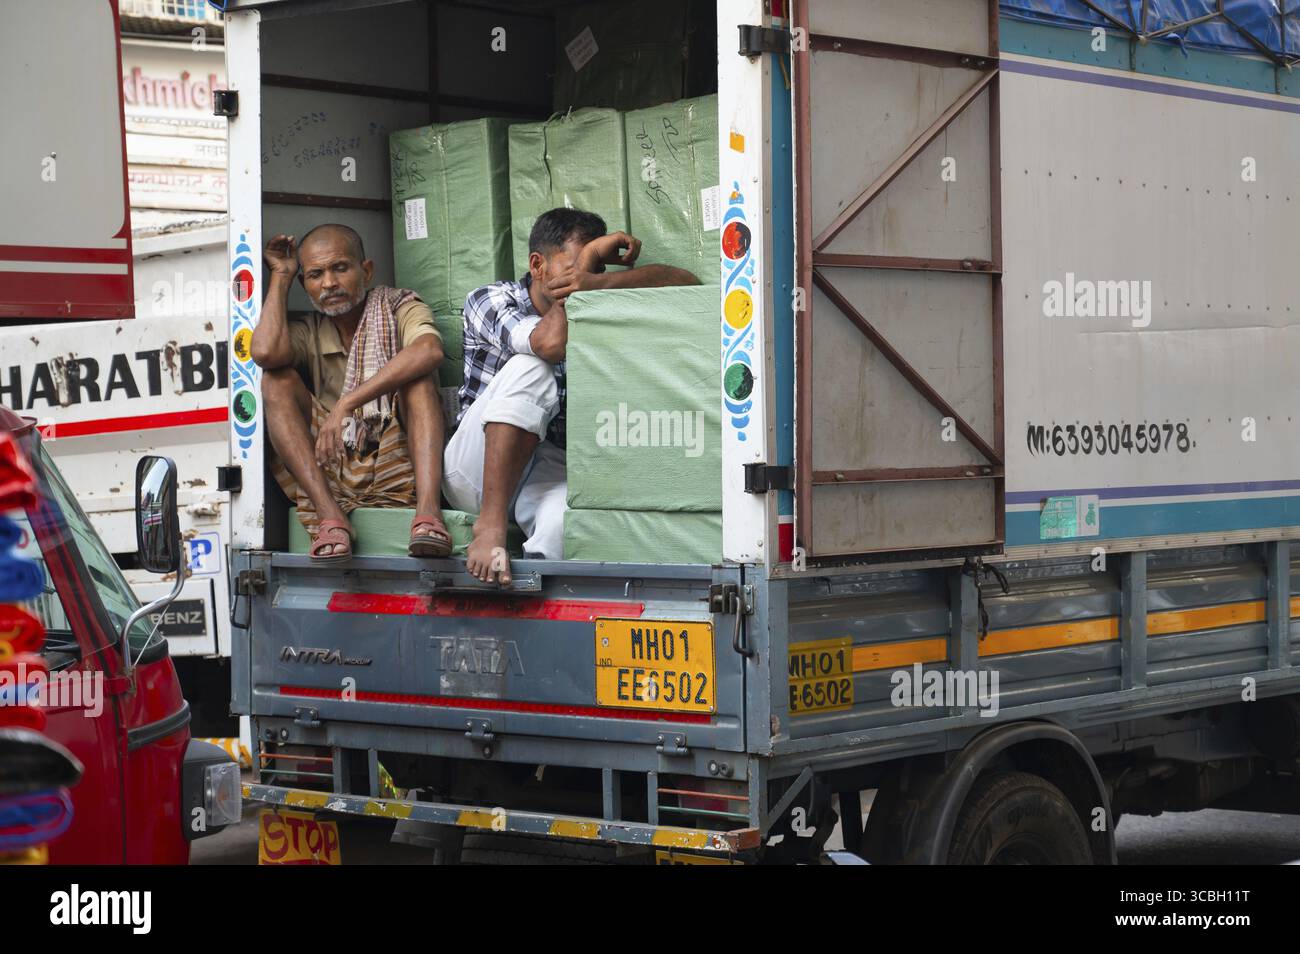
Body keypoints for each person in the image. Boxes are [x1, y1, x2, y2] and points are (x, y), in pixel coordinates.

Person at [444, 208, 699, 584]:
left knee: (569, 523)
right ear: (537, 264)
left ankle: (534, 592)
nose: (583, 278)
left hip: (542, 466)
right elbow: (548, 344)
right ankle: (491, 525)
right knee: (531, 367)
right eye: (574, 265)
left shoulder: (594, 299)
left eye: (591, 269)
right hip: (474, 470)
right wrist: (585, 277)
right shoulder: (491, 300)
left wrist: (599, 281)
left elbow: (688, 286)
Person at [252, 223, 451, 563]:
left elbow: (429, 350)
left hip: (397, 457)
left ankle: (429, 515)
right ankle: (331, 518)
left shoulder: (398, 306)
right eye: (315, 275)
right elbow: (265, 353)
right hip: (334, 464)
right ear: (306, 286)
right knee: (275, 381)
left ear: (366, 270)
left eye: (340, 268)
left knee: (416, 380)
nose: (329, 283)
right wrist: (283, 276)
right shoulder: (310, 330)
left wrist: (348, 402)